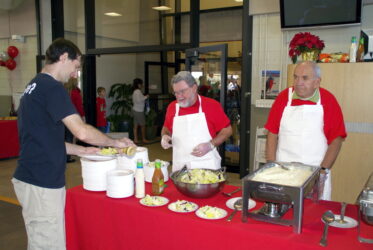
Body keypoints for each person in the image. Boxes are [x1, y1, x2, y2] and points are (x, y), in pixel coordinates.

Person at [12, 38, 134, 250]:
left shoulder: (34, 85)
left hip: (33, 178)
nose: (75, 74)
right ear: (63, 57)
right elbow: (81, 130)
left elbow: (45, 139)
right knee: (49, 244)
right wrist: (114, 143)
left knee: (42, 239)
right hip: (41, 182)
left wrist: (83, 150)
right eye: (76, 67)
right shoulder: (51, 87)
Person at [264, 61, 347, 200]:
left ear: (317, 82)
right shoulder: (284, 98)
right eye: (295, 77)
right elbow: (272, 133)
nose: (298, 82)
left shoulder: (328, 100)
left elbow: (336, 140)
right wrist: (272, 165)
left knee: (314, 214)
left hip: (315, 171)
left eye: (305, 78)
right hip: (283, 171)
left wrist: (323, 171)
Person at [161, 71, 232, 172]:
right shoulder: (172, 107)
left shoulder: (211, 105)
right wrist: (165, 136)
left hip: (207, 166)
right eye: (176, 92)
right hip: (180, 166)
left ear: (194, 88)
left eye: (183, 91)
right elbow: (166, 128)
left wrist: (211, 144)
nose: (179, 96)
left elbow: (227, 130)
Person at [64, 78, 85, 163]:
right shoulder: (76, 93)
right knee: (69, 137)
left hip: (62, 117)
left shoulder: (64, 92)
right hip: (72, 117)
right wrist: (83, 116)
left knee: (63, 137)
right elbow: (79, 106)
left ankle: (63, 156)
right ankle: (67, 158)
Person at [132, 78, 149, 144]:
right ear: (139, 84)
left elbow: (136, 100)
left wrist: (144, 97)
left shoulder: (135, 91)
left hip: (135, 110)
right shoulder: (138, 91)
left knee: (135, 125)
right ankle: (144, 139)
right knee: (143, 125)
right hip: (139, 111)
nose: (142, 85)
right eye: (141, 84)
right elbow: (139, 100)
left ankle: (136, 139)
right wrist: (146, 97)